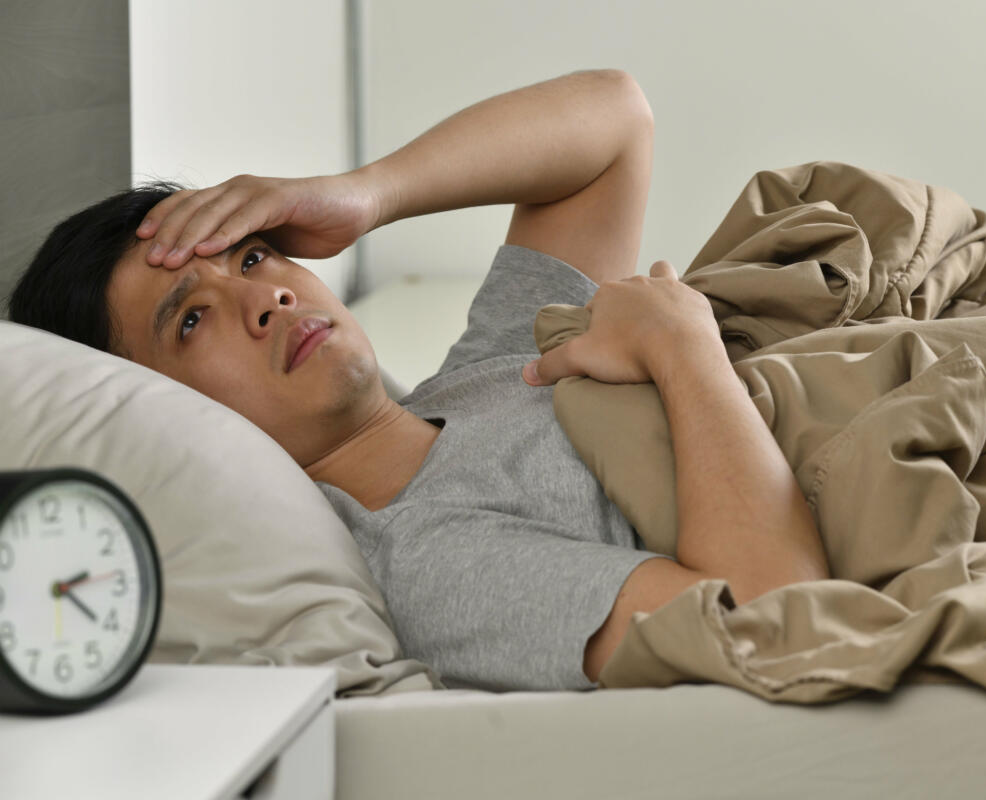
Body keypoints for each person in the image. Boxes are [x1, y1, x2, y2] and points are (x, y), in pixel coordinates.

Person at [7, 69, 828, 691]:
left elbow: (614, 120)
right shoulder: (432, 559)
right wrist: (686, 350)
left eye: (252, 256)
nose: (267, 298)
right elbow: (778, 624)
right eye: (191, 320)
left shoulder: (492, 365)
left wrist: (363, 195)